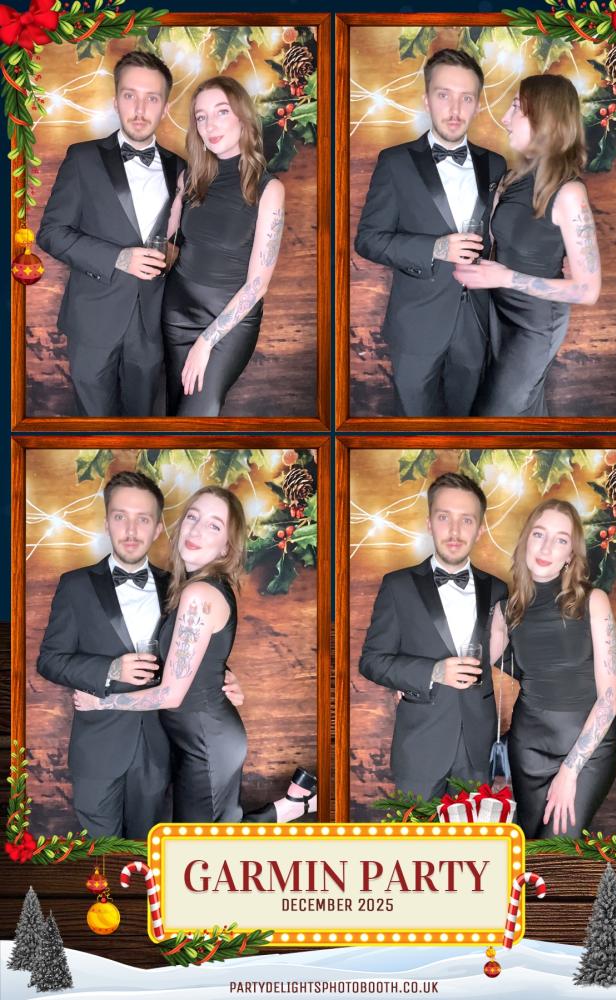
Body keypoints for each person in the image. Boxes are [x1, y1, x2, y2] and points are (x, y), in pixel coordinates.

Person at [73, 487, 316, 824]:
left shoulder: (199, 594)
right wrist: (222, 674)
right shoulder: (192, 586)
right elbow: (202, 656)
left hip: (207, 744)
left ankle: (292, 806)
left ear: (226, 546)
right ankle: (292, 805)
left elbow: (171, 695)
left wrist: (103, 702)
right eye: (192, 517)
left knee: (202, 843)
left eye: (214, 525)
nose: (196, 530)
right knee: (206, 835)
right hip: (197, 740)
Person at [36, 472, 241, 837]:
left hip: (159, 751)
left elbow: (195, 649)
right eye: (120, 516)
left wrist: (223, 677)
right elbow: (50, 660)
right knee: (102, 860)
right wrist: (110, 669)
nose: (131, 530)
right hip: (98, 751)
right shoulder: (75, 585)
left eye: (143, 519)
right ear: (106, 522)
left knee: (150, 856)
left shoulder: (177, 586)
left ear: (159, 528)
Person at [354, 49, 506, 418]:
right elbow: (368, 239)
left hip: (477, 325)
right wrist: (436, 248)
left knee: (466, 426)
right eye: (443, 95)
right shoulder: (395, 162)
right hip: (416, 324)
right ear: (426, 99)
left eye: (466, 98)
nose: (455, 109)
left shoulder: (496, 164)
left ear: (478, 104)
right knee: (416, 429)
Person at [37, 52, 185, 418]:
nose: (140, 109)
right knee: (96, 428)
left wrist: (176, 252)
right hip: (93, 321)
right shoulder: (82, 158)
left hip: (151, 326)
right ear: (116, 100)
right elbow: (51, 233)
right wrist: (119, 257)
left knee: (142, 426)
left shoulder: (182, 168)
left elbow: (183, 238)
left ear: (165, 108)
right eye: (130, 95)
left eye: (152, 98)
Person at [454, 74, 602, 417]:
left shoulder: (570, 193)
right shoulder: (511, 180)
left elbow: (588, 291)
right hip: (498, 314)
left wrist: (505, 278)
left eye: (516, 108)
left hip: (535, 325)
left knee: (495, 420)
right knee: (522, 418)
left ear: (545, 118)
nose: (505, 118)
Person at [359, 472, 508, 800]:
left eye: (466, 520)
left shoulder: (499, 589)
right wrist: (432, 672)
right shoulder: (397, 586)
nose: (454, 531)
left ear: (480, 529)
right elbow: (372, 661)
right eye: (444, 517)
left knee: (475, 834)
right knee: (416, 834)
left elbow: (510, 657)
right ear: (429, 523)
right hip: (420, 747)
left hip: (478, 750)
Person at [491, 500, 616, 838]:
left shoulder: (593, 601)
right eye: (539, 534)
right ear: (526, 540)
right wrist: (423, 675)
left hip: (587, 751)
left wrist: (570, 770)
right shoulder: (506, 611)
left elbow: (611, 697)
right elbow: (469, 658)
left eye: (560, 539)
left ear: (570, 554)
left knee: (555, 849)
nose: (546, 547)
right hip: (528, 749)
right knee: (531, 849)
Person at [162, 76, 285, 417]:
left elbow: (258, 284)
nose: (209, 125)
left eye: (221, 112)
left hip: (228, 321)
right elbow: (164, 239)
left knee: (198, 416)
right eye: (201, 117)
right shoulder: (190, 178)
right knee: (172, 412)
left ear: (243, 116)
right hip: (176, 310)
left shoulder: (268, 189)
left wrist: (206, 341)